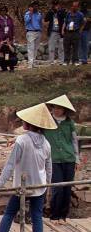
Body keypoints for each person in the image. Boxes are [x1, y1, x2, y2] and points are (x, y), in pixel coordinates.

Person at [0, 103, 56, 232]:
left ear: (30, 124)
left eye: (25, 120)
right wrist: (48, 186)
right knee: (37, 217)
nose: (22, 122)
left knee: (9, 214)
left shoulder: (22, 141)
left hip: (22, 188)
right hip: (39, 186)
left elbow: (10, 165)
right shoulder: (46, 144)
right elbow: (49, 168)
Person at [44, 95, 79, 225]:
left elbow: (74, 141)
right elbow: (36, 134)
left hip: (69, 158)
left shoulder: (69, 123)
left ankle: (63, 216)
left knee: (67, 188)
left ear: (64, 110)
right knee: (57, 188)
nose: (57, 110)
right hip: (54, 160)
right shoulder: (47, 121)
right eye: (55, 107)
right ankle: (54, 215)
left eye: (59, 108)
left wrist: (77, 159)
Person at [62, 1, 86, 65]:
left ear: (78, 7)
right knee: (67, 47)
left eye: (76, 6)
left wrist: (80, 30)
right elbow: (65, 22)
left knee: (75, 47)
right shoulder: (68, 14)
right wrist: (62, 30)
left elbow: (83, 23)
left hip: (75, 32)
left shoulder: (80, 14)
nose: (74, 7)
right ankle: (66, 61)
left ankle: (75, 61)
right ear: (72, 6)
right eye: (73, 6)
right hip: (68, 32)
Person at [45, 0, 66, 64]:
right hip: (53, 32)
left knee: (61, 47)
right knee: (51, 47)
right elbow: (46, 19)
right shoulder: (50, 12)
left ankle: (61, 61)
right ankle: (51, 61)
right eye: (54, 5)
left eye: (57, 5)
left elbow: (65, 19)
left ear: (58, 5)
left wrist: (58, 11)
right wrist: (51, 12)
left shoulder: (62, 11)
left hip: (60, 32)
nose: (55, 6)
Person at [24, 1, 43, 68]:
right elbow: (26, 21)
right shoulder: (27, 14)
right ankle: (30, 64)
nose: (36, 7)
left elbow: (40, 23)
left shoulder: (39, 14)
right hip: (30, 32)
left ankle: (34, 63)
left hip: (38, 32)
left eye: (37, 6)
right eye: (34, 6)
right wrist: (31, 14)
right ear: (31, 7)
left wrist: (40, 30)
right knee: (30, 48)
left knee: (35, 48)